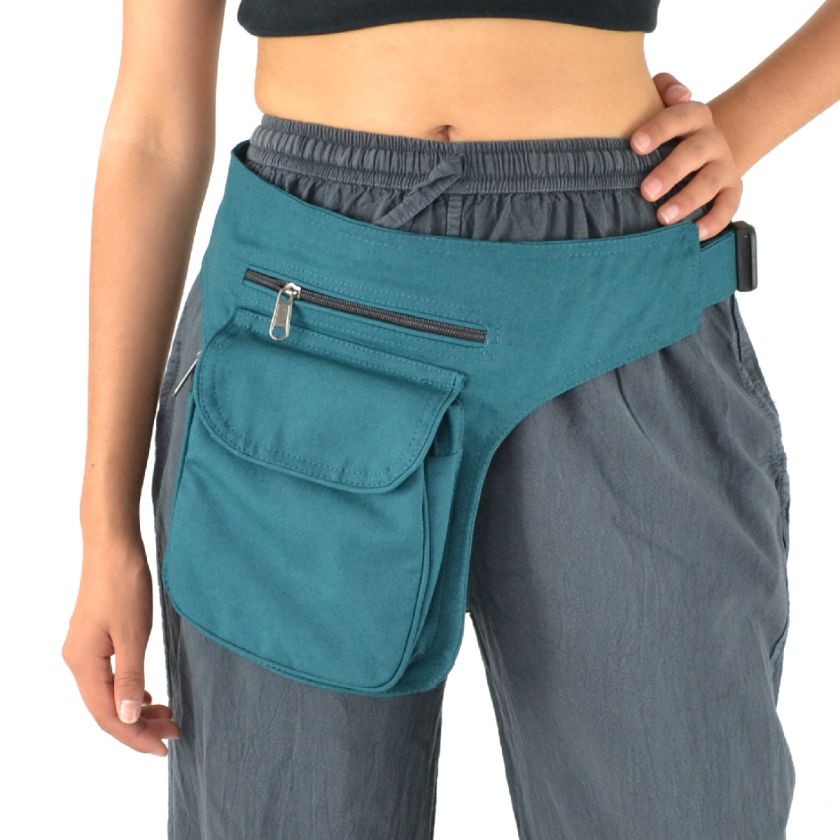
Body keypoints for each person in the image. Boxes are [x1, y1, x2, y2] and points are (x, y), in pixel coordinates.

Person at [63, 1, 839, 837]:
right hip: (310, 312)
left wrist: (740, 129)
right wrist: (105, 530)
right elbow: (154, 130)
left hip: (613, 295)